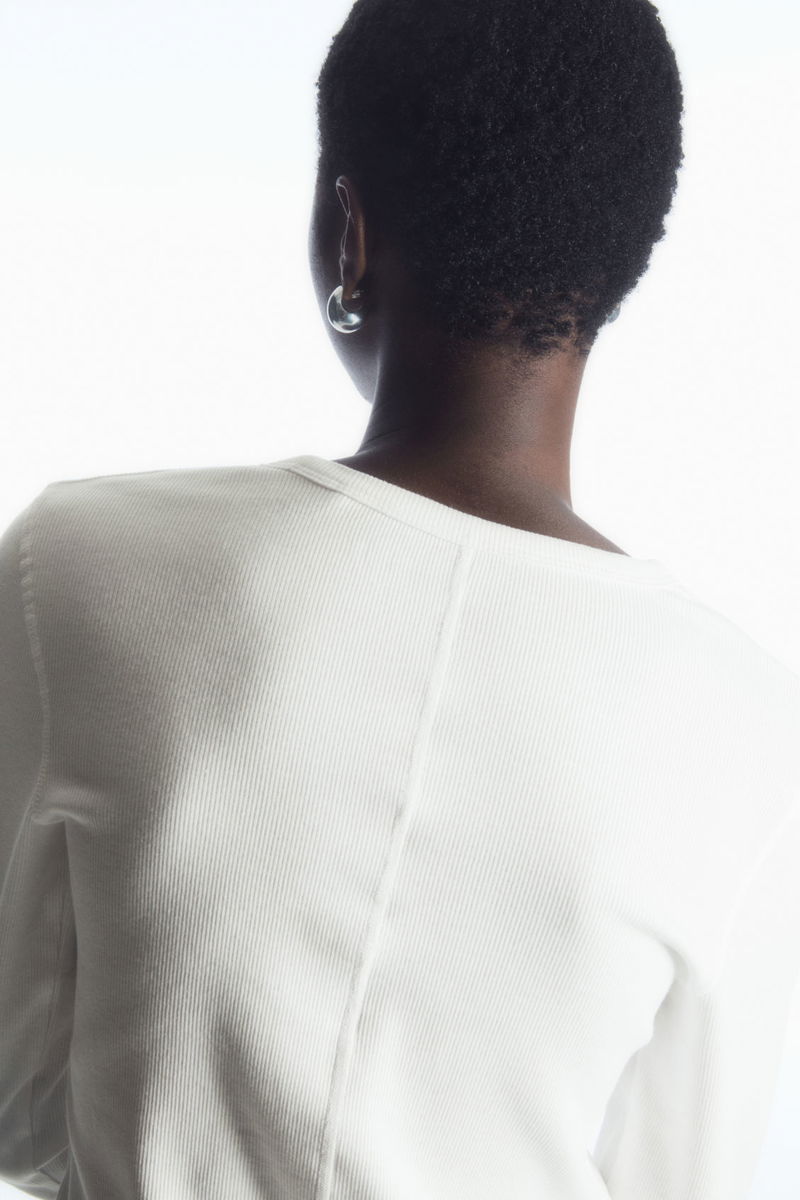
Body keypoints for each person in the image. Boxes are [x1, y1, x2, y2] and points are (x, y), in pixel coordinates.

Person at [1, 2, 799, 1199]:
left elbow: (17, 1099)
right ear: (619, 261)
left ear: (349, 229)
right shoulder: (743, 722)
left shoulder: (80, 563)